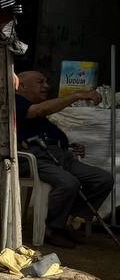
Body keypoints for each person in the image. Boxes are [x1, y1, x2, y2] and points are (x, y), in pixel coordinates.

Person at [14, 71, 113, 248]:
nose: (46, 86)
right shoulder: (16, 102)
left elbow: (46, 130)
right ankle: (52, 229)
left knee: (103, 179)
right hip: (34, 158)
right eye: (40, 82)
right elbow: (39, 111)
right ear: (22, 86)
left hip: (59, 155)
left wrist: (69, 145)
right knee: (68, 183)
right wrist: (76, 96)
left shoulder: (37, 106)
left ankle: (67, 220)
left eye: (46, 81)